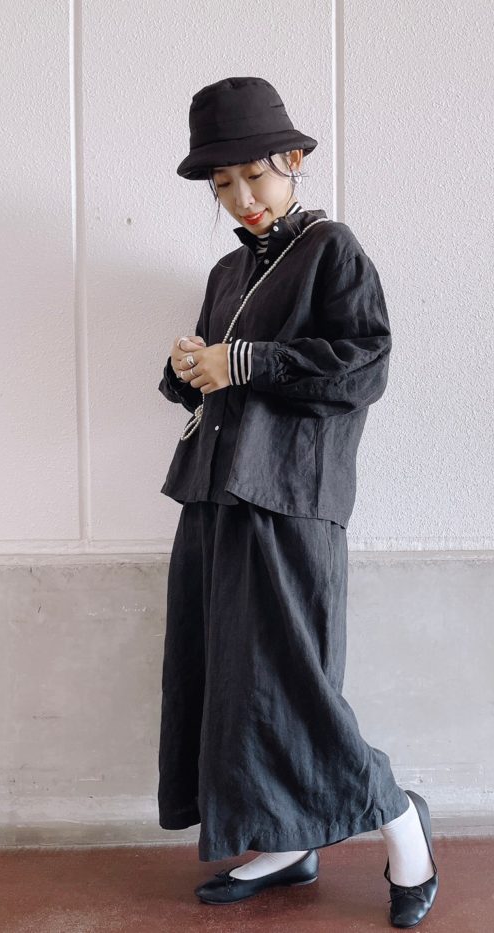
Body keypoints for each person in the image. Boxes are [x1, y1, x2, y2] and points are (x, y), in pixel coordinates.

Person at [156, 76, 439, 928]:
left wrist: (244, 361)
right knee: (234, 685)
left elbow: (363, 365)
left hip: (291, 498)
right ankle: (286, 841)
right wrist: (189, 369)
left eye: (255, 175)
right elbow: (218, 382)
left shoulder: (331, 251)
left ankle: (402, 823)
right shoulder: (228, 270)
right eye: (223, 184)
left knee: (295, 685)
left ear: (294, 161)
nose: (242, 197)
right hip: (215, 492)